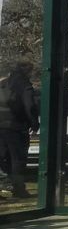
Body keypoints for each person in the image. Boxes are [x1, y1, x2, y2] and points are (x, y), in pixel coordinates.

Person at [0, 62, 38, 200]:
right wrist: (34, 124)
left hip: (2, 126)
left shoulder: (5, 82)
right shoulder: (24, 84)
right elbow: (30, 106)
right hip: (16, 127)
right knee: (18, 159)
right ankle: (18, 188)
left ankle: (6, 185)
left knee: (4, 157)